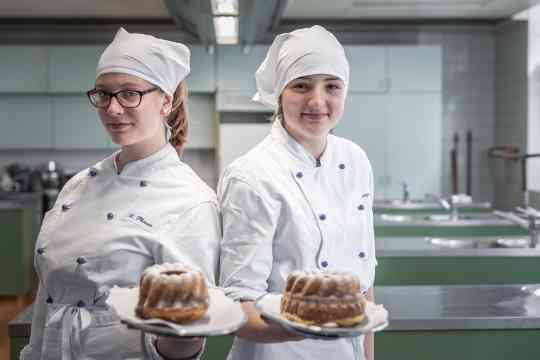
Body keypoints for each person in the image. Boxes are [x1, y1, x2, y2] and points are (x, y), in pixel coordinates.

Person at [20, 28, 220, 360]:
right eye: (104, 94)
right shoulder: (78, 185)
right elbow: (48, 297)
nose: (112, 109)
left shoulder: (189, 200)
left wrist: (179, 343)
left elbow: (189, 322)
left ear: (166, 101)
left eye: (129, 94)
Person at [218, 25, 377, 360]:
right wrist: (307, 328)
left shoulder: (356, 160)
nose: (317, 101)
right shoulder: (252, 175)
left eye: (331, 87)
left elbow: (364, 287)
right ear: (279, 94)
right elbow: (238, 307)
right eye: (301, 86)